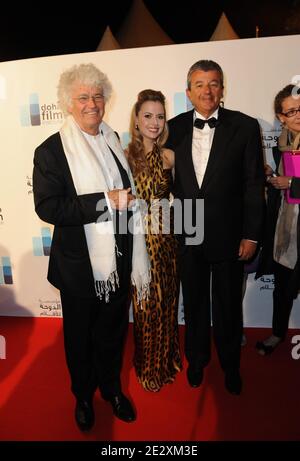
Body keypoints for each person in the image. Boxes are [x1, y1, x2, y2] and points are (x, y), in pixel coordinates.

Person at [32, 63, 151, 431]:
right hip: (79, 267)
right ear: (68, 103)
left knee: (113, 332)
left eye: (97, 96)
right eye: (83, 97)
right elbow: (48, 207)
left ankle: (112, 389)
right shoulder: (51, 150)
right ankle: (83, 396)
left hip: (117, 260)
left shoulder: (112, 138)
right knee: (80, 338)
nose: (92, 103)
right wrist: (104, 201)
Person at [166, 60, 265, 395]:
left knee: (227, 305)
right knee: (192, 303)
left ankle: (230, 364)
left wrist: (251, 234)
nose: (206, 91)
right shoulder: (172, 127)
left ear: (223, 89)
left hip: (230, 233)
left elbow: (254, 185)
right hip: (187, 229)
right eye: (199, 84)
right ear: (188, 91)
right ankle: (196, 360)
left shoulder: (246, 126)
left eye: (213, 84)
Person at [126, 89, 182, 392]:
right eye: (148, 115)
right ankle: (148, 366)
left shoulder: (170, 157)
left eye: (160, 116)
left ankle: (167, 360)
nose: (154, 122)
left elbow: (190, 194)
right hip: (138, 241)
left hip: (166, 240)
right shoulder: (124, 156)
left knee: (168, 304)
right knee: (145, 307)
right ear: (137, 119)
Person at [256, 83, 300, 355]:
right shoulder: (281, 146)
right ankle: (276, 334)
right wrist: (270, 175)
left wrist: (292, 183)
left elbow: (291, 183)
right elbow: (280, 185)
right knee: (282, 289)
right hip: (287, 229)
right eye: (291, 111)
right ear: (281, 117)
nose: (298, 115)